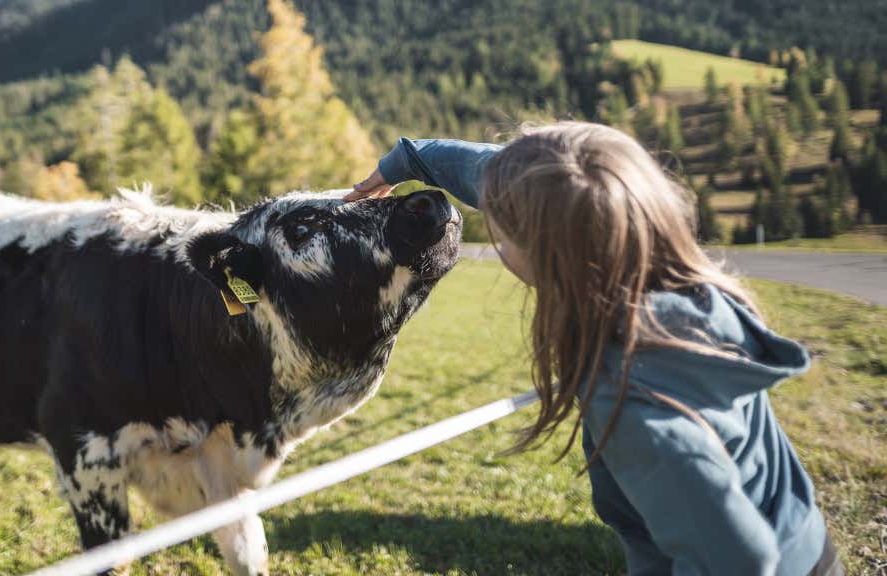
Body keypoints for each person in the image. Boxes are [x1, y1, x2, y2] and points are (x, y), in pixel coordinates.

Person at [344, 122, 841, 576]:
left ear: (544, 254)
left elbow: (741, 562)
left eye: (499, 221)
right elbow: (503, 173)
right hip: (808, 538)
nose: (490, 217)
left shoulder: (633, 403)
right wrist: (402, 164)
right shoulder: (676, 280)